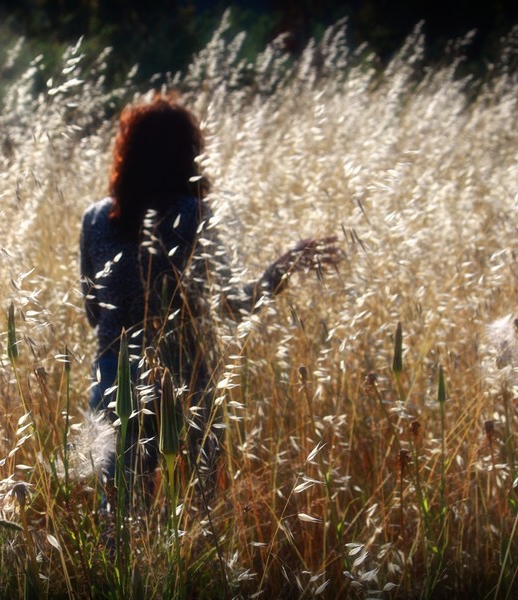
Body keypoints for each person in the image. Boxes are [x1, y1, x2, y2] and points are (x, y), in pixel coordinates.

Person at [79, 95, 341, 503]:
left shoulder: (94, 219)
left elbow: (94, 312)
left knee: (119, 521)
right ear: (189, 155)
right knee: (196, 513)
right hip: (186, 376)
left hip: (115, 380)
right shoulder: (197, 214)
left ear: (126, 153)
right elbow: (236, 307)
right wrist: (285, 265)